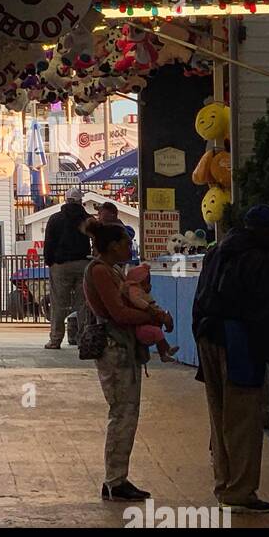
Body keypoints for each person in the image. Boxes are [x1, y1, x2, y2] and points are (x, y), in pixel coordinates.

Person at [192, 204, 269, 513]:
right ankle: (241, 492)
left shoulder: (217, 252)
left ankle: (223, 485)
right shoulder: (259, 260)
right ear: (264, 230)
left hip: (208, 337)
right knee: (243, 419)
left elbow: (199, 298)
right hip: (238, 343)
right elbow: (266, 315)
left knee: (219, 418)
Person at [85, 220, 168, 501]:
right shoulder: (99, 271)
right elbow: (119, 314)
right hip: (114, 348)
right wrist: (152, 317)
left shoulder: (111, 271)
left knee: (125, 413)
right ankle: (115, 480)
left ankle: (117, 477)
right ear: (112, 246)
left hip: (121, 347)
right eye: (125, 243)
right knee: (123, 414)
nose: (129, 247)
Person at [44, 188, 92, 349]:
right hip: (83, 264)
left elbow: (49, 243)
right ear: (80, 201)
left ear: (65, 200)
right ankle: (84, 340)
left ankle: (55, 339)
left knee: (58, 303)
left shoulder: (55, 219)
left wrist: (50, 262)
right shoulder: (87, 220)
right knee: (83, 304)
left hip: (61, 265)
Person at [123, 264, 177, 361]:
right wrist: (148, 308)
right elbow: (137, 300)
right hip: (141, 325)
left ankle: (165, 352)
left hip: (149, 319)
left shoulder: (139, 290)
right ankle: (166, 350)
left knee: (158, 331)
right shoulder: (134, 289)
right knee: (157, 332)